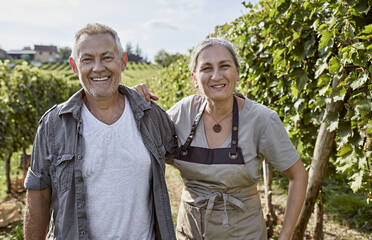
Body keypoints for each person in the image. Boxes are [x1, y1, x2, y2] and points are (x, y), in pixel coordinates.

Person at [135, 38, 308, 240]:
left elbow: (298, 176)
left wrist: (285, 236)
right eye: (206, 68)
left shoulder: (261, 120)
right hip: (190, 232)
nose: (216, 76)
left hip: (244, 234)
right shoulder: (184, 112)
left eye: (224, 66)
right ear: (195, 78)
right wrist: (135, 102)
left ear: (238, 72)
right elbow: (147, 144)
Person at [23, 23, 177, 240]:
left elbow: (185, 151)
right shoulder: (53, 124)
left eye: (107, 57)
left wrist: (228, 102)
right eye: (87, 59)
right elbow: (38, 197)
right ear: (74, 66)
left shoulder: (151, 115)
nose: (98, 68)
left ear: (122, 62)